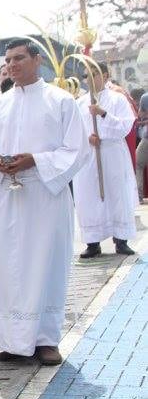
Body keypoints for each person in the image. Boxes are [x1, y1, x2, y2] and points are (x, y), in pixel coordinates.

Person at [0, 39, 87, 366]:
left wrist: (35, 161)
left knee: (46, 264)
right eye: (8, 60)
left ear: (37, 60)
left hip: (46, 196)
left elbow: (76, 151)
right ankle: (12, 341)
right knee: (10, 268)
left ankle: (46, 340)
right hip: (8, 197)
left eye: (20, 58)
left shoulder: (61, 101)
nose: (12, 64)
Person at [73, 66, 138, 258]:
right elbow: (73, 131)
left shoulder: (118, 99)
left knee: (117, 193)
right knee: (88, 195)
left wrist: (103, 114)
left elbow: (126, 126)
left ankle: (121, 239)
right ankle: (93, 242)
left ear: (105, 76)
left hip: (112, 152)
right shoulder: (79, 103)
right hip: (89, 155)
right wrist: (88, 138)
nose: (90, 79)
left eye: (94, 74)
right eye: (87, 75)